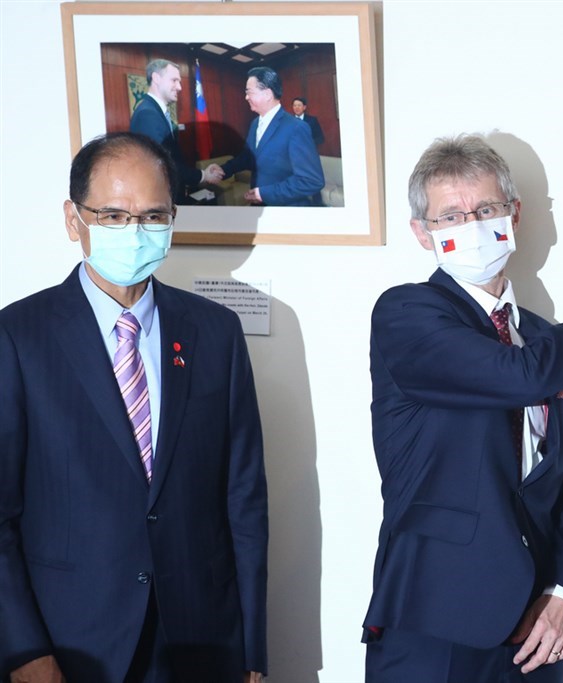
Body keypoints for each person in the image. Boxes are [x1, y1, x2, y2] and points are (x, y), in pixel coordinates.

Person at [363, 134, 563, 683]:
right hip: (436, 625)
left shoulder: (545, 340)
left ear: (514, 215)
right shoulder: (406, 314)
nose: (472, 226)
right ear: (421, 233)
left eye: (486, 209)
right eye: (450, 216)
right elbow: (513, 377)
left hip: (538, 636)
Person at [0, 132, 268, 682]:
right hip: (72, 645)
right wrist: (23, 651)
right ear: (75, 220)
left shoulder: (215, 332)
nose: (136, 232)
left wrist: (252, 651)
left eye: (152, 216)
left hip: (201, 640)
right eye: (114, 216)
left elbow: (244, 500)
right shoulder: (18, 336)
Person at [208, 66, 324, 206]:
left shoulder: (297, 128)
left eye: (249, 92)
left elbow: (312, 180)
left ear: (268, 94)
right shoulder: (255, 123)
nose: (246, 97)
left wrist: (265, 194)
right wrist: (224, 169)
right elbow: (248, 157)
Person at [129, 59, 213, 203]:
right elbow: (165, 165)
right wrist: (203, 175)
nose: (179, 87)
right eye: (174, 80)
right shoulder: (148, 114)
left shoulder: (155, 111)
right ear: (156, 78)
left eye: (179, 81)